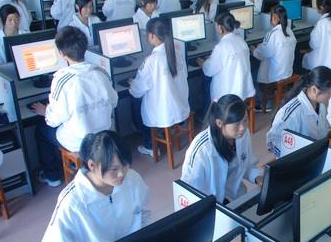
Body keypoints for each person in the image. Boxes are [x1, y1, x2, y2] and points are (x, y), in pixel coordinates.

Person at [35, 130, 150, 242]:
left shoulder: (132, 179)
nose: (122, 173)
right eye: (114, 169)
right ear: (92, 165)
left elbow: (143, 214)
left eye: (125, 165)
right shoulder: (73, 202)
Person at [31, 26, 118, 186]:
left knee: (41, 130)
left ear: (61, 54)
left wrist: (45, 111)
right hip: (103, 133)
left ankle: (53, 176)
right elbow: (114, 102)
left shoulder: (62, 79)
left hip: (80, 141)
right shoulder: (100, 71)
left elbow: (54, 120)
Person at [181, 94, 262, 203]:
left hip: (236, 197)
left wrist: (258, 177)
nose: (243, 128)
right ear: (219, 123)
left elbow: (245, 164)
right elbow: (190, 191)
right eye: (237, 124)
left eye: (245, 120)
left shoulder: (242, 135)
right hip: (211, 205)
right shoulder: (201, 150)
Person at [129, 18, 189, 156]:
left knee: (135, 98)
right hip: (180, 106)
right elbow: (184, 75)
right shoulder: (177, 52)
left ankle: (150, 145)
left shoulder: (152, 60)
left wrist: (132, 83)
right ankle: (167, 130)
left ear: (152, 36)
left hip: (164, 113)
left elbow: (137, 90)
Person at [267, 66, 331, 157]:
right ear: (314, 90)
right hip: (300, 160)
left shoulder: (320, 104)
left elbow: (321, 127)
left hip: (316, 153)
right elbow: (273, 143)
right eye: (329, 92)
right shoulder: (292, 114)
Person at [197, 12, 255, 101]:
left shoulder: (221, 47)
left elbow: (209, 70)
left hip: (227, 95)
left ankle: (207, 109)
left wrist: (202, 63)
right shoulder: (241, 40)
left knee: (205, 80)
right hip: (244, 90)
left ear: (220, 28)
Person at [251, 5, 296, 106]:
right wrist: (263, 45)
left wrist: (253, 50)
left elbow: (263, 54)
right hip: (287, 71)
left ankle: (262, 102)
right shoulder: (289, 30)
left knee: (252, 71)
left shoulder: (273, 34)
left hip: (277, 74)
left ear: (275, 17)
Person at [302, 0, 331, 71]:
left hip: (324, 61)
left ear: (321, 7)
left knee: (305, 56)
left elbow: (313, 44)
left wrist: (306, 50)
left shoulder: (321, 23)